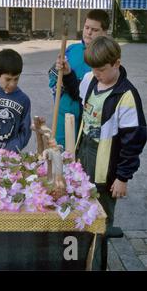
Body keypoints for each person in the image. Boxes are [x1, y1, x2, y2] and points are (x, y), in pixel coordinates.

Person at [60, 36, 147, 268]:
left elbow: (133, 141)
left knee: (101, 218)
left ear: (117, 63)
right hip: (84, 152)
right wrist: (69, 74)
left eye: (101, 69)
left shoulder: (127, 96)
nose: (96, 73)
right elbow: (77, 94)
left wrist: (122, 177)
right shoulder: (90, 79)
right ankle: (80, 260)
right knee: (80, 208)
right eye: (93, 69)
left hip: (107, 164)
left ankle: (97, 264)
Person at [49, 9, 110, 147]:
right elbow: (53, 78)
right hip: (65, 109)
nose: (88, 32)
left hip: (89, 115)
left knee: (82, 153)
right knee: (60, 150)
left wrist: (70, 76)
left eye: (94, 29)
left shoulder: (107, 56)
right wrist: (58, 69)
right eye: (86, 27)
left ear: (105, 32)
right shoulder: (71, 49)